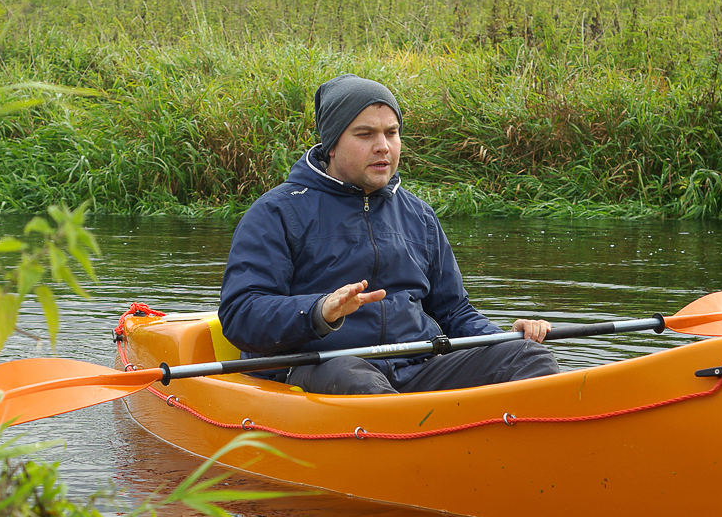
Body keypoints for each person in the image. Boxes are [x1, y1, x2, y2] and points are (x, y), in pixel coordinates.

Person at [217, 73, 560, 395]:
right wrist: (319, 310)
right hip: (319, 369)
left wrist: (504, 337)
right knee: (356, 379)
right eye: (365, 135)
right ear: (332, 145)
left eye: (391, 133)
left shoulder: (419, 215)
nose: (383, 146)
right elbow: (241, 314)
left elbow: (454, 313)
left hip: (416, 367)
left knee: (527, 356)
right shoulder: (277, 211)